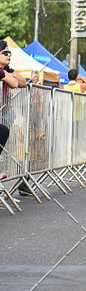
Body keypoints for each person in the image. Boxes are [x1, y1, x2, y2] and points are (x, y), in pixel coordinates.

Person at [0, 42, 28, 196]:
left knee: (4, 132)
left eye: (9, 53)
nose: (9, 55)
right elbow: (14, 82)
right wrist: (7, 76)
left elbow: (22, 82)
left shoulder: (7, 70)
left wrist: (7, 74)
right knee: (3, 132)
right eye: (5, 53)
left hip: (3, 115)